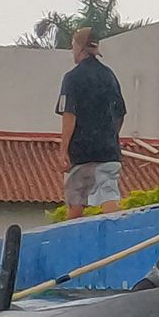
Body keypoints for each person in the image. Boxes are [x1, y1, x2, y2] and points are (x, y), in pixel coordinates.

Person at [54, 25, 126, 217]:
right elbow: (120, 113)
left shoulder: (72, 78)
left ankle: (70, 242)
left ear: (79, 48)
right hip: (108, 150)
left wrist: (63, 150)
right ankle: (116, 233)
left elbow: (69, 114)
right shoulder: (109, 76)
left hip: (82, 150)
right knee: (109, 193)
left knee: (77, 199)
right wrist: (111, 136)